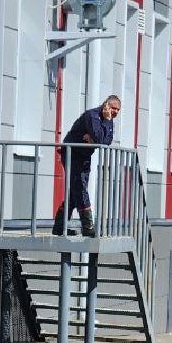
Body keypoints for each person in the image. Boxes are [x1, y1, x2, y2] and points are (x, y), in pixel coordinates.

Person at [53, 95, 121, 237]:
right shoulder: (92, 115)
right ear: (106, 105)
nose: (115, 112)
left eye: (118, 110)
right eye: (113, 108)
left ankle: (59, 226)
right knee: (80, 188)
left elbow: (106, 141)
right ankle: (88, 227)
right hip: (72, 153)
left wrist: (97, 137)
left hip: (84, 156)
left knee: (76, 191)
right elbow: (100, 138)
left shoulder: (108, 120)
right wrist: (100, 132)